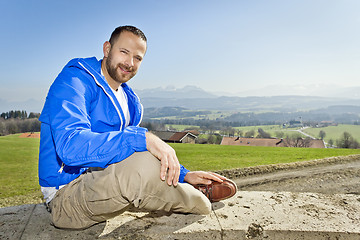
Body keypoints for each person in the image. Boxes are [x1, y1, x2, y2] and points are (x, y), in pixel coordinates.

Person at [38, 25, 237, 230]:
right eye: (124, 52)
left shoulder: (130, 101)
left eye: (138, 58)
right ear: (107, 49)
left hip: (103, 180)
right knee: (139, 168)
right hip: (66, 196)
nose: (129, 63)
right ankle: (197, 199)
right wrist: (142, 138)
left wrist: (184, 174)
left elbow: (132, 151)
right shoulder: (73, 81)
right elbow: (71, 147)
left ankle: (185, 183)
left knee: (142, 157)